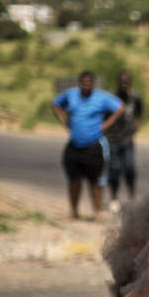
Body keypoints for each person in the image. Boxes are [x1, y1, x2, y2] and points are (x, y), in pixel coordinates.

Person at [52, 71, 124, 221]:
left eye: (89, 82)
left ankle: (97, 212)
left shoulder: (101, 97)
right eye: (84, 82)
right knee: (73, 179)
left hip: (93, 145)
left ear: (93, 83)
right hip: (74, 144)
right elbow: (55, 103)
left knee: (95, 180)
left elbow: (120, 107)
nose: (86, 85)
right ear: (79, 83)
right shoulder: (71, 94)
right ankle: (73, 211)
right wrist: (64, 120)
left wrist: (106, 125)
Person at [104, 71, 142, 210]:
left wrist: (135, 128)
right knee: (114, 170)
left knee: (130, 168)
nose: (124, 84)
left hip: (127, 139)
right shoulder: (110, 97)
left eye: (127, 81)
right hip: (113, 139)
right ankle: (114, 198)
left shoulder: (135, 97)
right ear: (118, 82)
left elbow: (139, 114)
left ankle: (132, 199)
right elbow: (104, 115)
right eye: (122, 81)